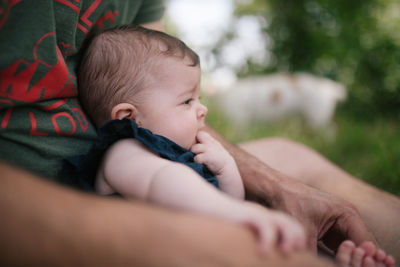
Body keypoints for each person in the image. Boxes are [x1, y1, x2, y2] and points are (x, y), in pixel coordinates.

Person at [0, 0, 398, 265]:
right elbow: (164, 185)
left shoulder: (169, 151)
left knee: (292, 156)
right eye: (187, 102)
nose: (202, 108)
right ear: (129, 117)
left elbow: (202, 193)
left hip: (200, 216)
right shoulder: (127, 153)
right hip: (88, 225)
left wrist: (226, 172)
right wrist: (234, 212)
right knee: (271, 248)